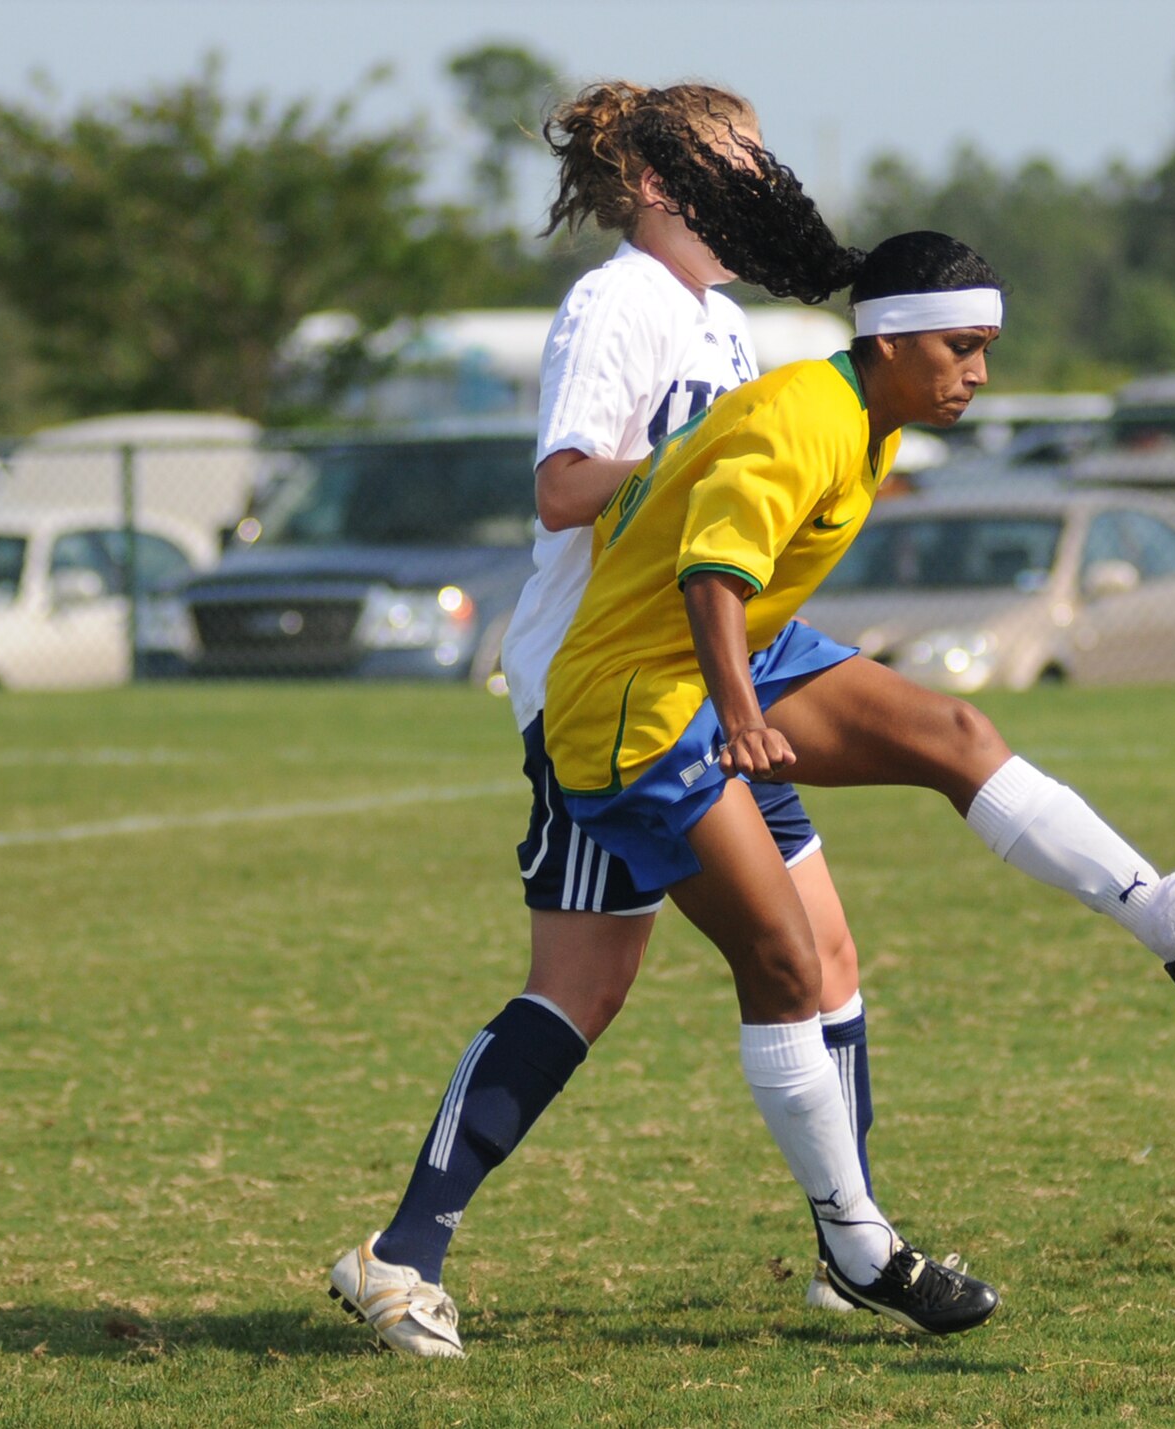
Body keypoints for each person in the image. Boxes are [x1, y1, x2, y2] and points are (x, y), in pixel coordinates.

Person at [542, 229, 1175, 1334]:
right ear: (893, 340)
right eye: (962, 347)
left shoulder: (863, 418)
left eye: (984, 349)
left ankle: (1166, 918)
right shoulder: (806, 419)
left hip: (732, 661)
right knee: (781, 959)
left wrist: (742, 687)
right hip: (638, 702)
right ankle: (857, 1244)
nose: (978, 373)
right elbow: (709, 578)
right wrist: (736, 713)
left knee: (953, 731)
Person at [328, 81, 902, 1358]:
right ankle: (397, 1254)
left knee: (826, 954)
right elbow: (562, 485)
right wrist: (698, 463)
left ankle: (849, 1248)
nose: (760, 177)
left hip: (715, 683)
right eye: (733, 159)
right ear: (655, 182)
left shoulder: (723, 321)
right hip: (607, 693)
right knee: (583, 984)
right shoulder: (618, 303)